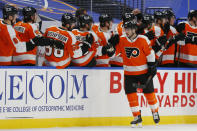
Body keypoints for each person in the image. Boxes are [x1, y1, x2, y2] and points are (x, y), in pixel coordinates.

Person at [116, 20, 160, 127]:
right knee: (131, 96)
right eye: (125, 29)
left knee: (149, 94)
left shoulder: (143, 39)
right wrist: (110, 47)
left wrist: (151, 66)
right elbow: (115, 54)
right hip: (129, 74)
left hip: (143, 73)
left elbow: (150, 54)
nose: (126, 31)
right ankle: (136, 116)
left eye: (128, 29)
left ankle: (155, 111)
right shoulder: (121, 40)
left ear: (134, 29)